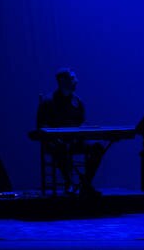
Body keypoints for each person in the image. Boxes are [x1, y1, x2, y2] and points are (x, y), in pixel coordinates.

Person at [36, 67, 104, 196]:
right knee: (61, 148)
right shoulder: (48, 101)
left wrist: (84, 130)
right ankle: (70, 183)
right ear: (63, 80)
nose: (76, 81)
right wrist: (55, 138)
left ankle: (85, 183)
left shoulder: (77, 101)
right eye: (73, 78)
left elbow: (82, 122)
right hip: (55, 143)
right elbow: (41, 125)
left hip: (74, 141)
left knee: (97, 147)